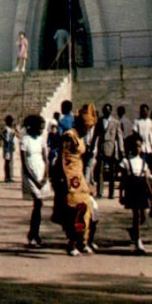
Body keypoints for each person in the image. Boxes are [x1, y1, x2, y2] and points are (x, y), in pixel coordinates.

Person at [53, 106, 95, 255]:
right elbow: (63, 159)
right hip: (69, 176)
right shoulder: (69, 136)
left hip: (79, 175)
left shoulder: (81, 137)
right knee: (73, 211)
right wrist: (63, 179)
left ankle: (83, 240)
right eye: (86, 127)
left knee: (87, 209)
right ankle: (72, 242)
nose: (88, 130)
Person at [119, 133, 152, 253]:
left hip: (142, 189)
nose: (137, 148)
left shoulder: (143, 162)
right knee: (136, 215)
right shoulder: (125, 161)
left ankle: (134, 231)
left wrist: (151, 196)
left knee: (143, 215)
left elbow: (147, 179)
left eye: (139, 146)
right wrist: (121, 194)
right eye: (135, 146)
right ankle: (138, 241)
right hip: (132, 188)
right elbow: (123, 180)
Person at [19, 114, 49, 247]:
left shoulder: (42, 140)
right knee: (37, 202)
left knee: (39, 205)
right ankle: (33, 234)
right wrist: (35, 180)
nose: (41, 130)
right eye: (40, 128)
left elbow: (46, 158)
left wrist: (46, 176)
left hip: (41, 171)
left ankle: (34, 234)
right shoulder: (25, 140)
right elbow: (24, 162)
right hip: (30, 173)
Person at [94, 104, 122, 198]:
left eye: (108, 110)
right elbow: (95, 135)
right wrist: (93, 146)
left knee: (112, 172)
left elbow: (119, 136)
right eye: (105, 110)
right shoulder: (100, 121)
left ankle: (111, 193)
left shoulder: (115, 122)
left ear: (111, 111)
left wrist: (121, 149)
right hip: (101, 147)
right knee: (100, 171)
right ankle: (100, 192)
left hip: (111, 148)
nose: (106, 112)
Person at [2, 115, 17, 182]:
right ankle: (7, 177)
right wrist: (5, 139)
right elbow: (1, 134)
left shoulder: (11, 129)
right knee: (7, 162)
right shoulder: (6, 129)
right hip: (7, 146)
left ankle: (10, 176)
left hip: (10, 146)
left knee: (10, 162)